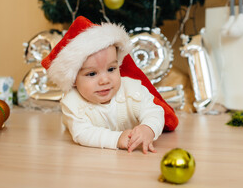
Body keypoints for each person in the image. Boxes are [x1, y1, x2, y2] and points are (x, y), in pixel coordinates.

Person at [41, 16, 178, 153]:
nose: (104, 80)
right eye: (92, 74)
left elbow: (154, 111)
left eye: (111, 69)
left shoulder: (132, 89)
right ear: (74, 79)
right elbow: (83, 133)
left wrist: (148, 128)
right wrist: (116, 139)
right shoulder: (73, 103)